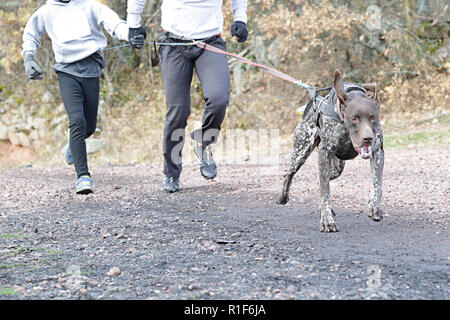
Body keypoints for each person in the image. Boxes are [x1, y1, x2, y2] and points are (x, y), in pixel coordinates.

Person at [127, 0, 249, 193]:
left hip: (210, 42)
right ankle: (171, 173)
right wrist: (133, 25)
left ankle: (204, 142)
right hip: (174, 44)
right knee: (178, 111)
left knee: (218, 99)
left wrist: (240, 19)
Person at [22, 0, 138, 194]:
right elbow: (31, 34)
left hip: (91, 69)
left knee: (89, 126)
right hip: (66, 72)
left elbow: (114, 23)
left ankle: (72, 144)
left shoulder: (90, 6)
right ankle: (83, 177)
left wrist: (131, 35)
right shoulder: (46, 11)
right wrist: (28, 58)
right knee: (76, 120)